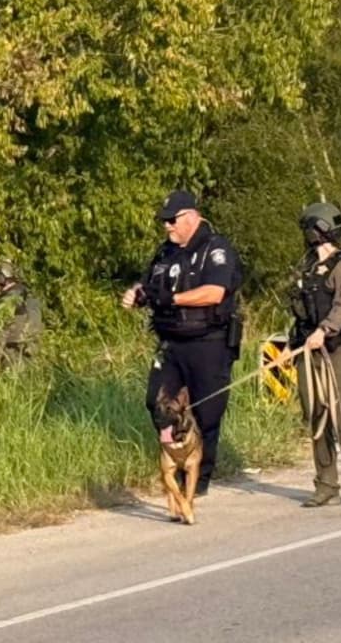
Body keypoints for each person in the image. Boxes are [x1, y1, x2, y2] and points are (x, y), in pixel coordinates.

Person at [121, 190, 243, 496]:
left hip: (208, 342)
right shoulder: (166, 252)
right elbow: (148, 283)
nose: (167, 226)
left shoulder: (215, 248)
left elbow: (215, 292)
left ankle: (198, 477)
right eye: (164, 221)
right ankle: (175, 457)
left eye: (172, 220)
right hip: (171, 342)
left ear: (191, 216)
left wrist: (173, 299)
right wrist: (137, 293)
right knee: (156, 401)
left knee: (207, 412)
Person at [281, 202, 341, 507]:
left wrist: (325, 329)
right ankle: (326, 483)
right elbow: (299, 310)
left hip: (338, 350)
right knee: (316, 415)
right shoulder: (306, 267)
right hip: (309, 351)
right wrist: (294, 342)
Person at [0, 260, 43, 369]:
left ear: (2, 278)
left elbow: (2, 332)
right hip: (27, 342)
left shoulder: (12, 296)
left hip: (15, 343)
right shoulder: (24, 291)